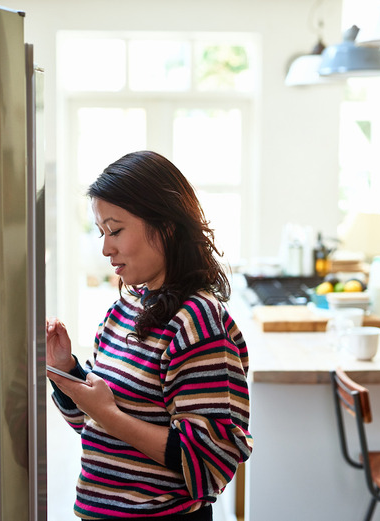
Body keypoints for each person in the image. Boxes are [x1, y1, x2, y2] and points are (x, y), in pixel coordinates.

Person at [46, 150, 253, 520]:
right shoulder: (123, 311)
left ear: (166, 225)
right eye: (102, 232)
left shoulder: (197, 322)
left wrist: (107, 413)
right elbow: (92, 426)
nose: (106, 248)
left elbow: (209, 463)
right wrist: (64, 369)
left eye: (115, 230)